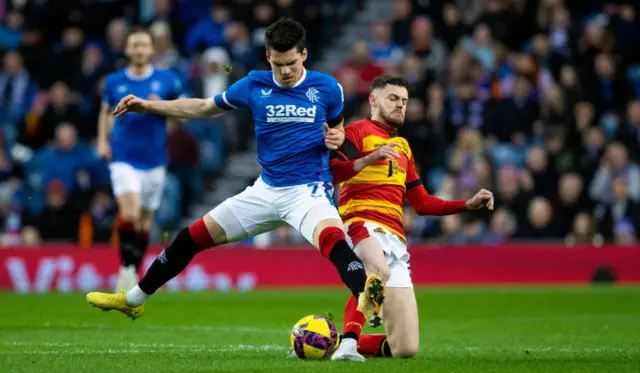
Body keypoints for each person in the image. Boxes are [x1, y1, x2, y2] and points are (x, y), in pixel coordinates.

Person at [86, 18, 385, 325]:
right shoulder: (254, 83)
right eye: (278, 63)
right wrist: (150, 107)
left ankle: (368, 298)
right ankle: (133, 300)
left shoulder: (327, 88)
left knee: (333, 240)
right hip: (266, 190)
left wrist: (338, 136)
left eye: (291, 63)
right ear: (268, 55)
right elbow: (203, 107)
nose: (284, 71)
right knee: (191, 237)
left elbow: (338, 130)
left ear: (304, 54)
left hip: (308, 189)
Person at [329, 75, 494, 360]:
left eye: (404, 101)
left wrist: (466, 205)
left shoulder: (403, 147)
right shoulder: (357, 131)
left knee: (404, 348)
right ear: (373, 100)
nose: (400, 106)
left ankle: (327, 341)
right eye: (393, 98)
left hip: (396, 237)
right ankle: (347, 346)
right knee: (376, 271)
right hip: (361, 222)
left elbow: (421, 202)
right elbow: (334, 171)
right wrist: (369, 159)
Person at [98, 27, 184, 291]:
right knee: (131, 213)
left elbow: (181, 115)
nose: (138, 49)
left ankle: (132, 269)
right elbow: (105, 113)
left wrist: (161, 107)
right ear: (126, 49)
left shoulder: (168, 80)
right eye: (134, 45)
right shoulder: (114, 81)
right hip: (124, 156)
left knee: (145, 221)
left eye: (143, 45)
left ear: (151, 49)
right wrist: (102, 140)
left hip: (155, 159)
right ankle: (126, 269)